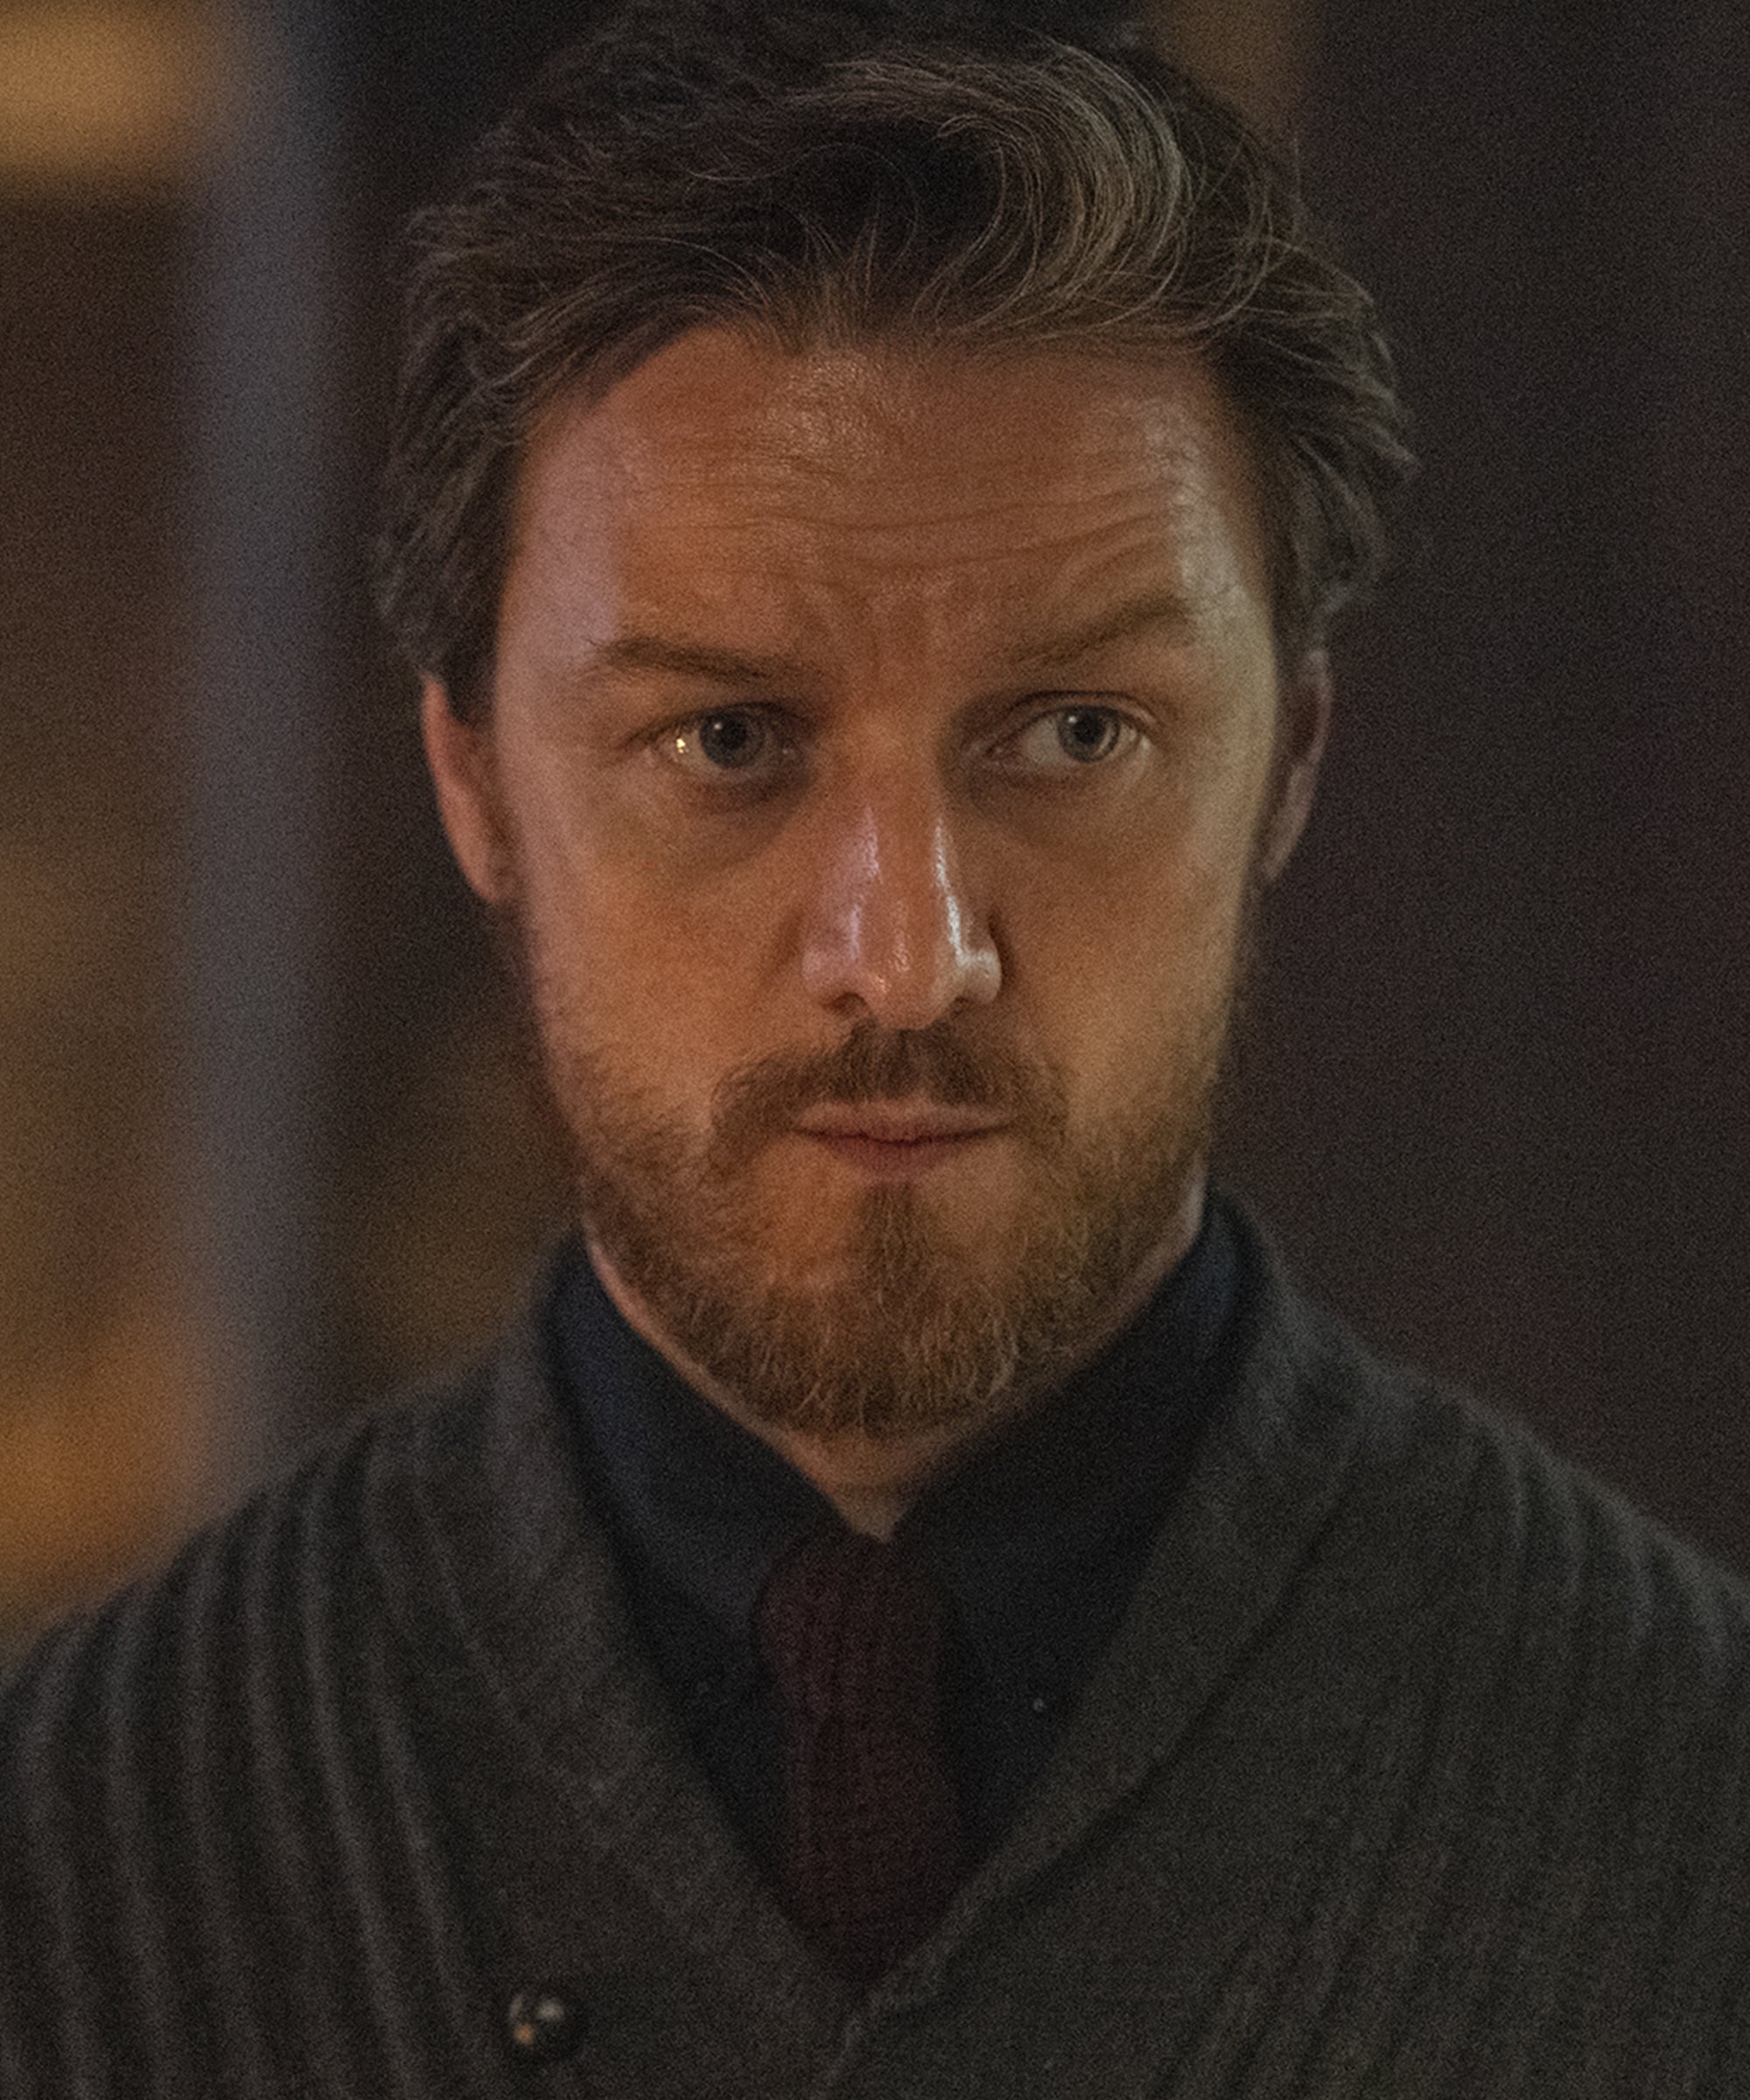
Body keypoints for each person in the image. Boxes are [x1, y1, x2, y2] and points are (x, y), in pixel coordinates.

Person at [4, 2, 1748, 2092]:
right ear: (473, 780)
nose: (907, 960)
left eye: (1075, 734)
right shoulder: (77, 1853)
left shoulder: (1686, 1815)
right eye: (727, 741)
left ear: (1286, 761)